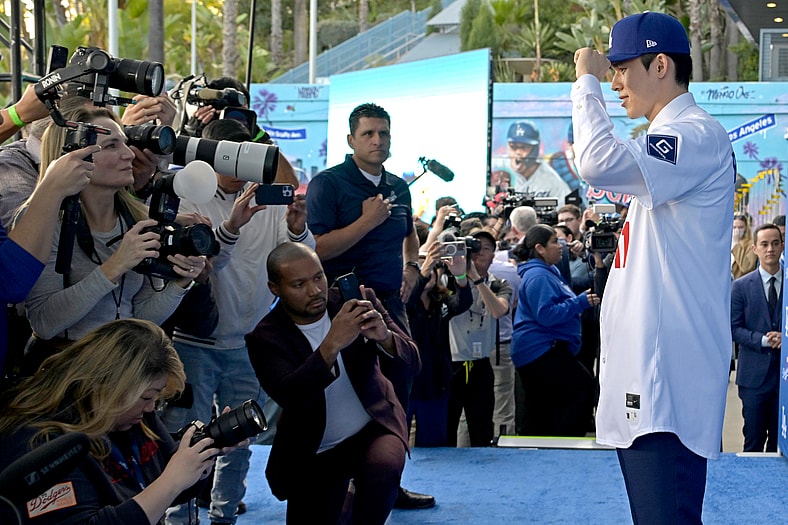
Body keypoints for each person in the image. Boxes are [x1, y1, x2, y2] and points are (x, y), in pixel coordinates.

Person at [573, 12, 735, 524]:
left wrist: (586, 81)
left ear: (660, 64)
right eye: (611, 71)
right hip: (653, 376)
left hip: (666, 381)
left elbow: (597, 162)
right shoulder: (674, 140)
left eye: (621, 68)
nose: (615, 82)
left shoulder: (694, 135)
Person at [161, 118, 312, 525]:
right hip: (194, 341)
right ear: (207, 159)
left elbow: (297, 257)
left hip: (249, 341)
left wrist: (298, 229)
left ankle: (224, 517)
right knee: (185, 437)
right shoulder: (188, 197)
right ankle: (179, 518)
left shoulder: (270, 202)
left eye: (244, 157)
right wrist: (231, 225)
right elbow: (204, 266)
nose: (235, 166)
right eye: (226, 156)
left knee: (241, 437)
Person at [305, 102, 432, 508]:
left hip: (392, 304)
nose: (378, 141)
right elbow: (316, 250)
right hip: (344, 305)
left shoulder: (399, 185)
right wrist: (366, 222)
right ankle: (346, 486)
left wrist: (412, 265)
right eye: (369, 134)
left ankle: (387, 483)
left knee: (400, 388)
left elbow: (408, 232)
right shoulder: (329, 184)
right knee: (351, 399)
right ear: (350, 140)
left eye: (384, 134)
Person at [245, 243, 419, 524]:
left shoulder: (359, 301)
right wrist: (331, 345)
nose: (314, 290)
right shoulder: (265, 337)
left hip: (373, 428)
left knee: (384, 467)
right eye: (299, 284)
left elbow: (413, 361)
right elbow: (291, 396)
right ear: (275, 288)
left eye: (318, 277)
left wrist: (385, 337)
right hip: (314, 449)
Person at [22, 106, 205, 372]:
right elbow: (44, 323)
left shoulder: (136, 218)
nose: (129, 154)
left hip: (121, 372)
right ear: (73, 156)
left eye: (126, 143)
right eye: (111, 146)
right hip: (65, 374)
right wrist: (115, 266)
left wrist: (181, 282)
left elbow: (139, 315)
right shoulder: (42, 218)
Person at [0, 319, 228, 525]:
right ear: (107, 387)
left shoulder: (129, 415)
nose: (150, 408)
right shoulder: (40, 443)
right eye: (147, 397)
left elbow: (164, 487)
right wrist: (171, 481)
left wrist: (198, 459)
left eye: (155, 399)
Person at [510, 224, 598, 436]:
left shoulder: (549, 271)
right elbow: (546, 315)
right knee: (582, 387)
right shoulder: (539, 276)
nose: (560, 246)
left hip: (544, 347)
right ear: (539, 248)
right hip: (539, 348)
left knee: (545, 403)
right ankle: (565, 440)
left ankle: (553, 441)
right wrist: (578, 303)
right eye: (554, 242)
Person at [446, 227, 511, 447]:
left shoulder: (498, 284)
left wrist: (477, 279)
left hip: (480, 364)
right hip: (452, 364)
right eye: (474, 247)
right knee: (447, 425)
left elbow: (498, 311)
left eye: (485, 249)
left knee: (481, 427)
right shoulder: (449, 281)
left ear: (494, 254)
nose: (479, 253)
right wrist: (461, 275)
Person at [405, 238, 473, 446]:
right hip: (406, 383)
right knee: (397, 442)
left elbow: (463, 303)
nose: (430, 272)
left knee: (434, 444)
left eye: (435, 268)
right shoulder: (402, 303)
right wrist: (423, 270)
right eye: (425, 268)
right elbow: (408, 300)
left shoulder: (440, 303)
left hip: (435, 382)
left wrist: (461, 275)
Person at [731, 223, 783, 452]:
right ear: (755, 248)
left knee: (779, 443)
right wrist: (763, 340)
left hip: (784, 377)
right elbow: (733, 328)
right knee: (753, 438)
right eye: (764, 244)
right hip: (753, 379)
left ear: (783, 246)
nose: (770, 249)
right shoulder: (741, 287)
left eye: (775, 243)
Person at [492, 120, 570, 203]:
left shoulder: (551, 180)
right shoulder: (496, 166)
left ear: (535, 149)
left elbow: (566, 208)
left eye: (524, 147)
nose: (518, 152)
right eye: (513, 147)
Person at [731, 213, 758, 279]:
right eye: (734, 227)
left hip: (740, 281)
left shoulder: (751, 244)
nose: (737, 230)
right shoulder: (726, 242)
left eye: (740, 227)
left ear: (746, 228)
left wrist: (736, 246)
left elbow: (746, 267)